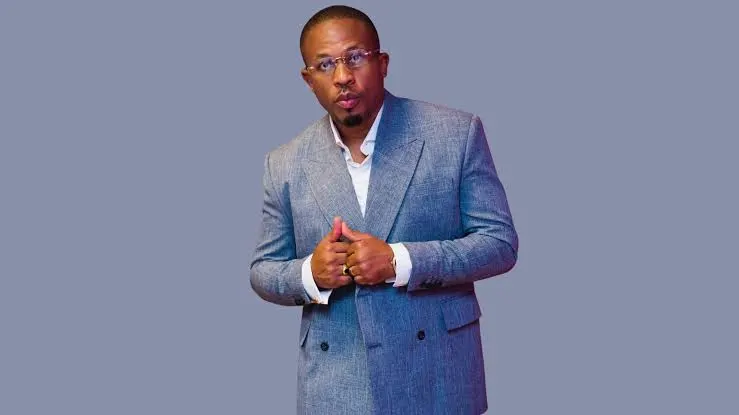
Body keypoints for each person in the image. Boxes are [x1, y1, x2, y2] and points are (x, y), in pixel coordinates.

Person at [249, 5, 518, 414]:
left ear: (383, 63)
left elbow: (500, 244)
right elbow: (263, 270)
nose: (342, 76)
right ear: (308, 79)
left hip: (438, 377)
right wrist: (310, 273)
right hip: (336, 385)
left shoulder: (455, 134)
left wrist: (398, 261)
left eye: (355, 57)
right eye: (325, 64)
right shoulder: (284, 163)